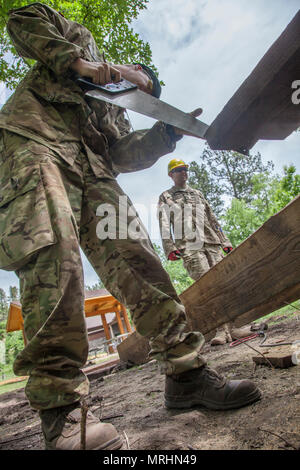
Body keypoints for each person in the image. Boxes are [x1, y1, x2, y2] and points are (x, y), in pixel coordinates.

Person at [0, 3, 261, 450]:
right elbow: (22, 20)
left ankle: (187, 373)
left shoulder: (115, 104)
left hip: (95, 171)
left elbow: (121, 153)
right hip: (35, 142)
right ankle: (60, 410)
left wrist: (167, 135)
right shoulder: (77, 37)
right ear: (130, 68)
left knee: (138, 258)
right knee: (56, 259)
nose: (135, 85)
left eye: (142, 87)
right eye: (138, 79)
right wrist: (80, 62)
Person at [158, 159, 253, 345]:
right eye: (178, 170)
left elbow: (212, 218)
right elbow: (163, 223)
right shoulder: (166, 197)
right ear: (171, 174)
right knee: (207, 287)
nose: (183, 173)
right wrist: (169, 247)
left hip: (212, 243)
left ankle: (234, 329)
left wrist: (224, 240)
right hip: (189, 246)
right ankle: (221, 331)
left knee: (223, 283)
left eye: (185, 169)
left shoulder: (197, 194)